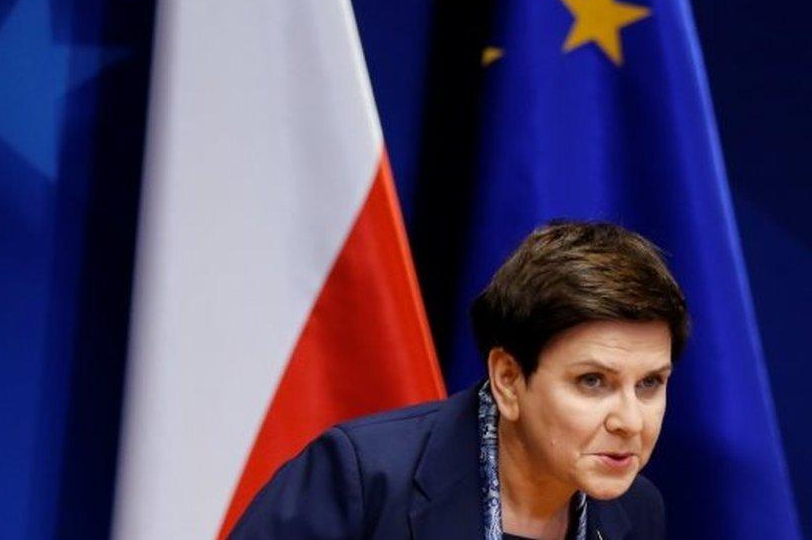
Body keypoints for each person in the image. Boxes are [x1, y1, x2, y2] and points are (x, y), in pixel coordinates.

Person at [229, 220, 689, 540]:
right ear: (508, 380)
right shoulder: (364, 481)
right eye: (593, 381)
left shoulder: (635, 510)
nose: (631, 421)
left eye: (649, 384)